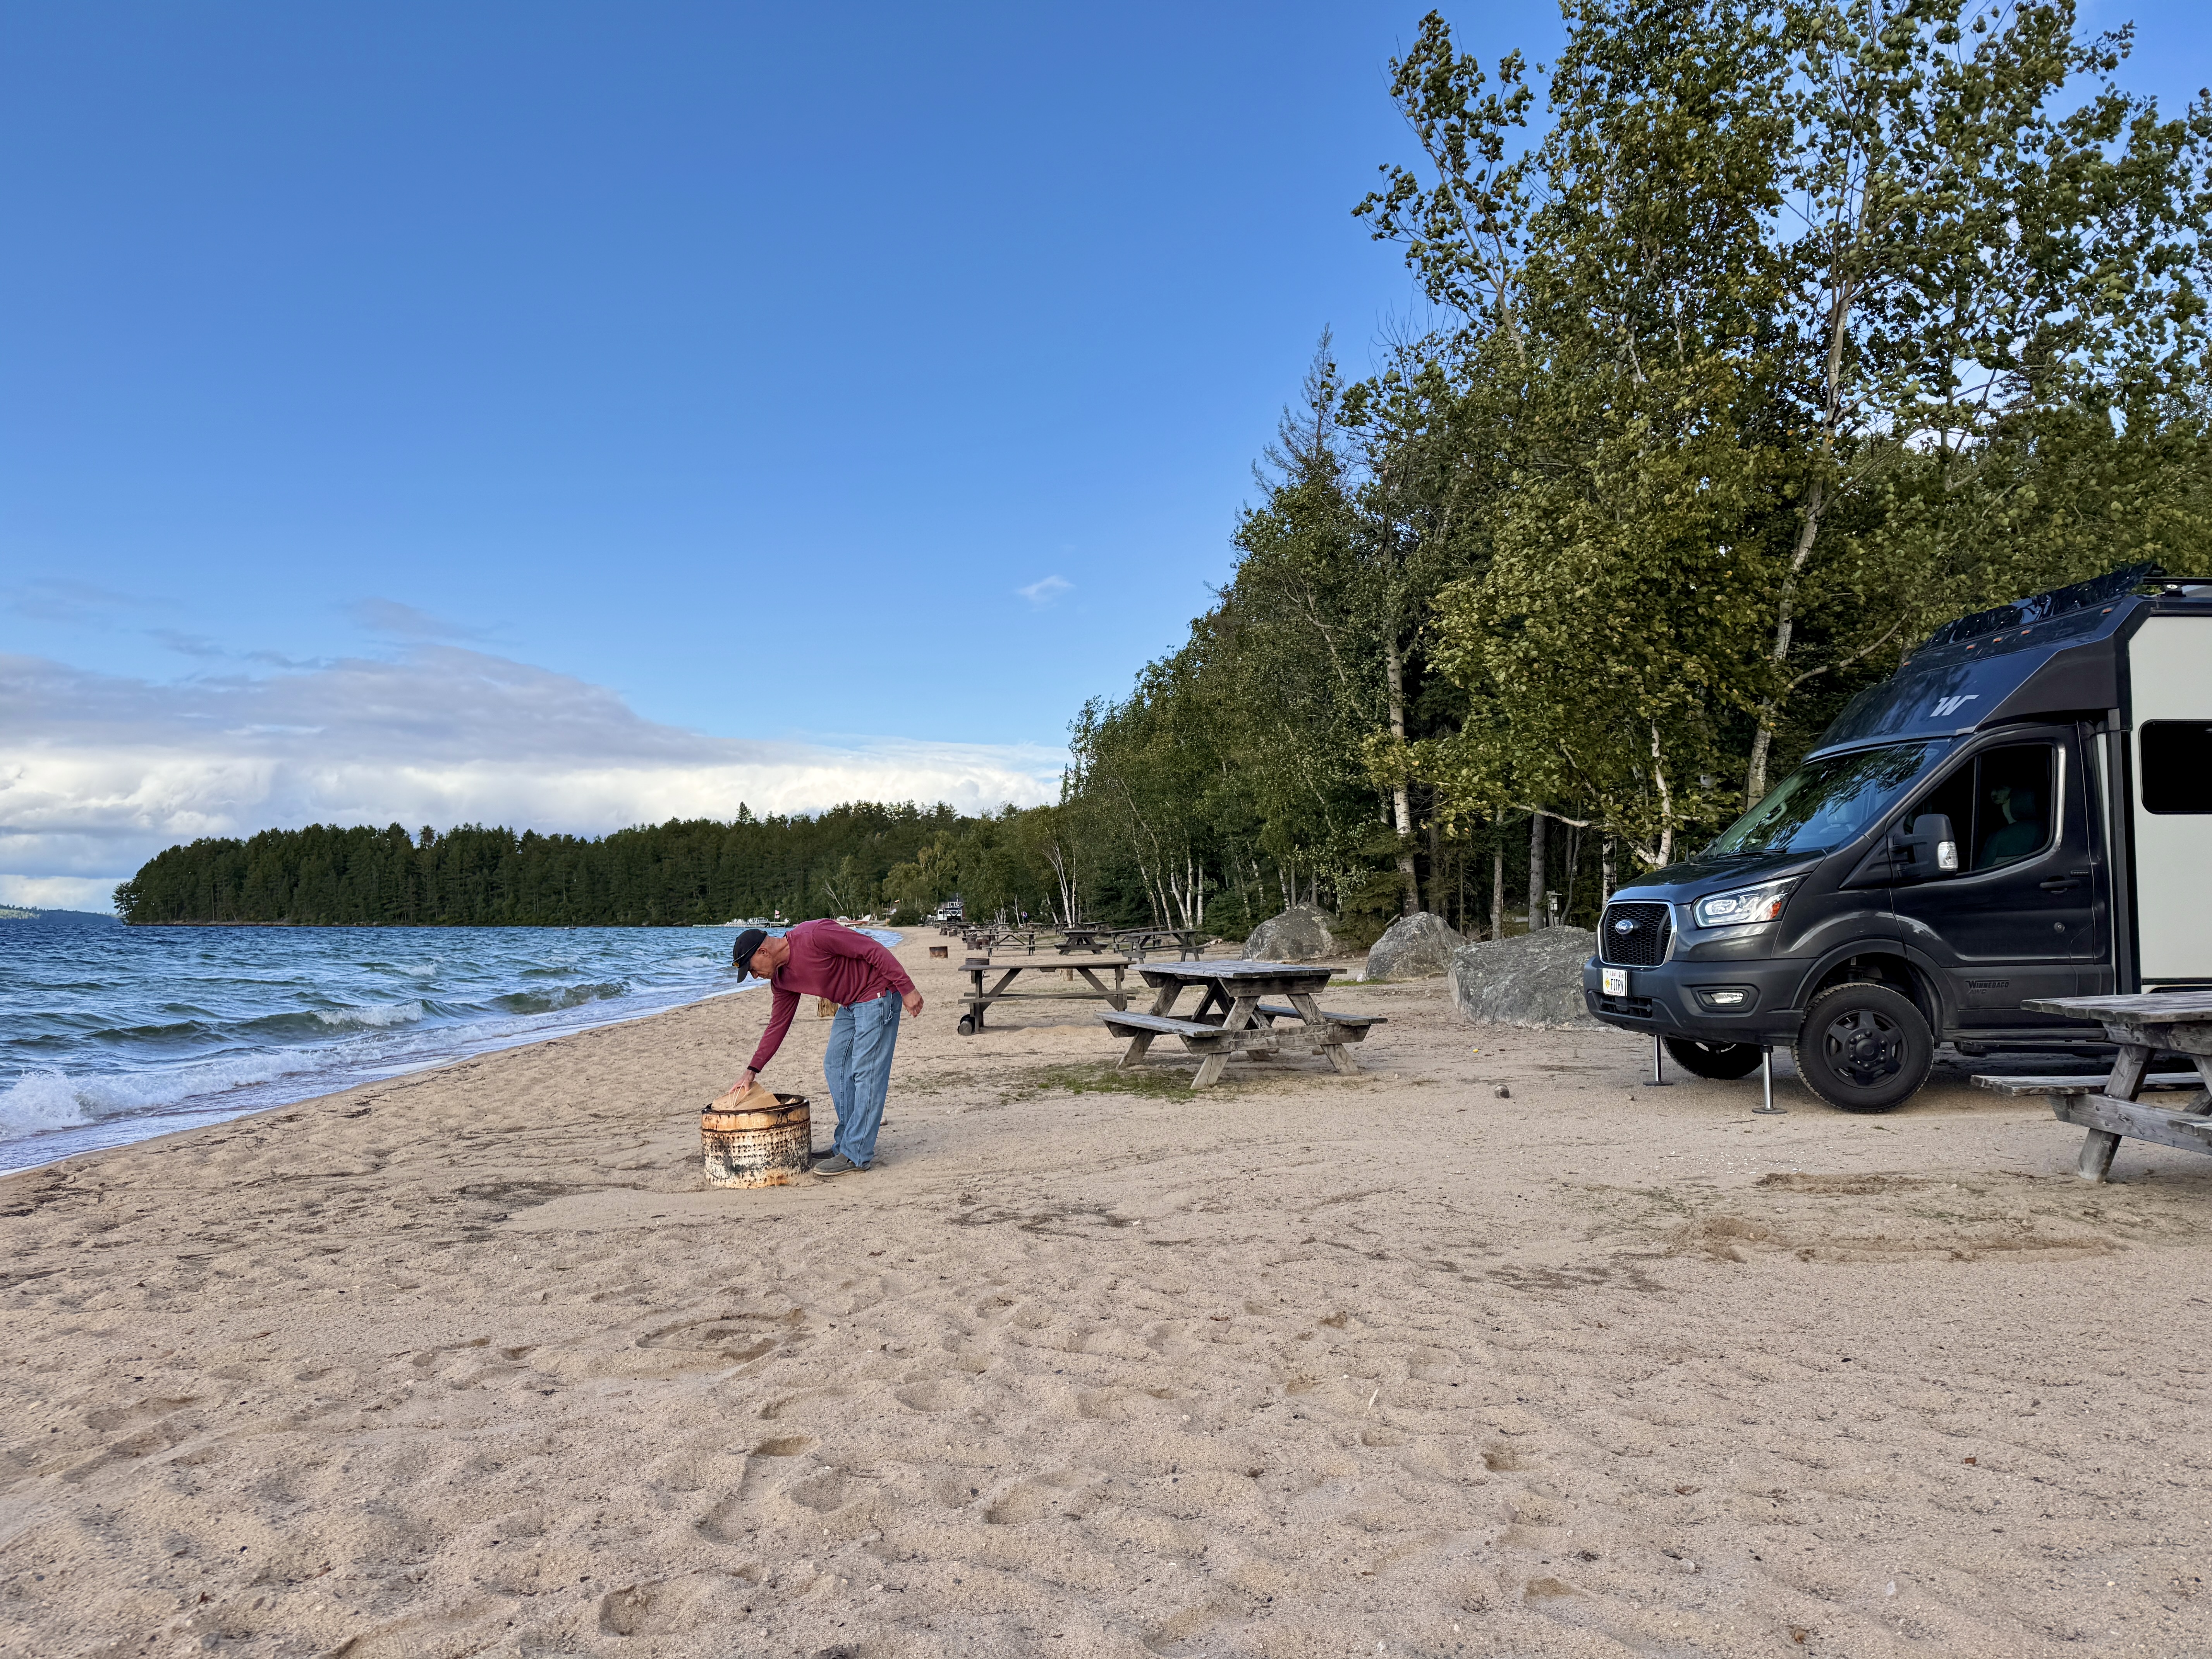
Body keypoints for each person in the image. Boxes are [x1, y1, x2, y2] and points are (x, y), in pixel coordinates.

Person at [725, 922, 921, 1177]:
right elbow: (778, 1025)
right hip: (851, 1004)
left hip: (878, 995)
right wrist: (752, 1071)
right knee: (835, 1065)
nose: (754, 976)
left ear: (763, 952)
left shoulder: (814, 935)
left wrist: (907, 988)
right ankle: (846, 1144)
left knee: (866, 1072)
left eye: (752, 969)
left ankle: (857, 1154)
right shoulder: (782, 980)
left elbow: (872, 949)